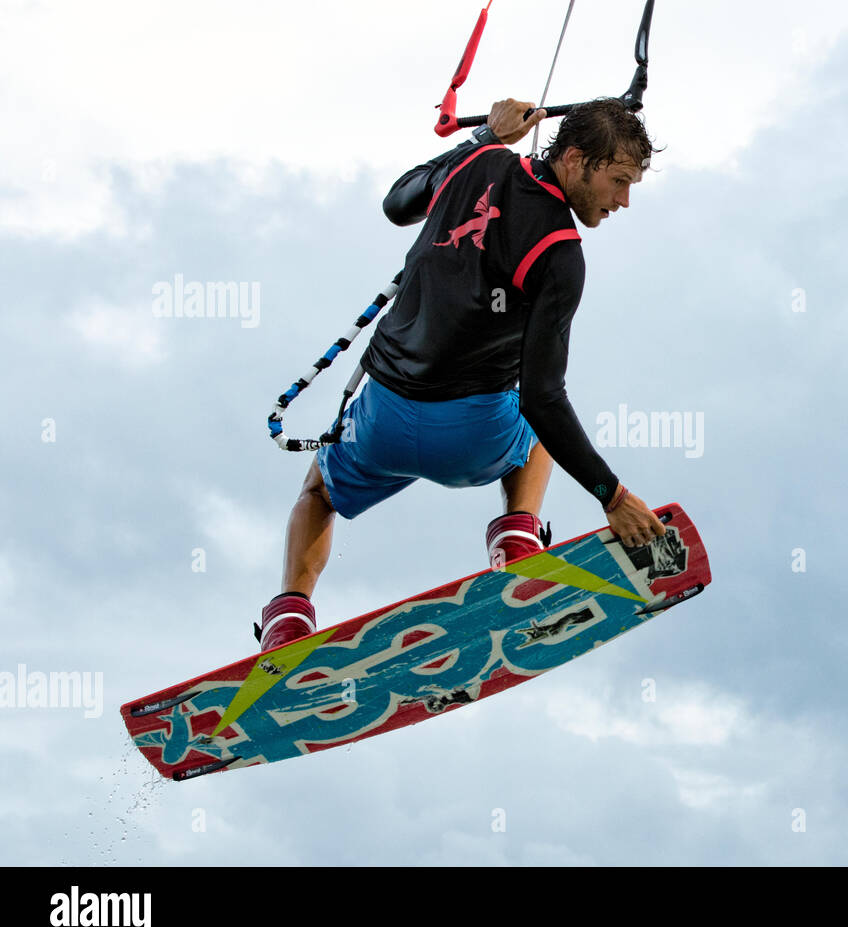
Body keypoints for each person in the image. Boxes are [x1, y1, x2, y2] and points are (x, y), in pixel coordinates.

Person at [254, 97, 667, 652]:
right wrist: (611, 495)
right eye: (618, 181)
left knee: (317, 492)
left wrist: (483, 139)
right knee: (543, 409)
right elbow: (543, 399)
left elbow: (397, 204)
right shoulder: (561, 254)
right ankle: (519, 540)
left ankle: (288, 621)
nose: (623, 200)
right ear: (573, 158)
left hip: (383, 424)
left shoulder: (476, 161)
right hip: (476, 436)